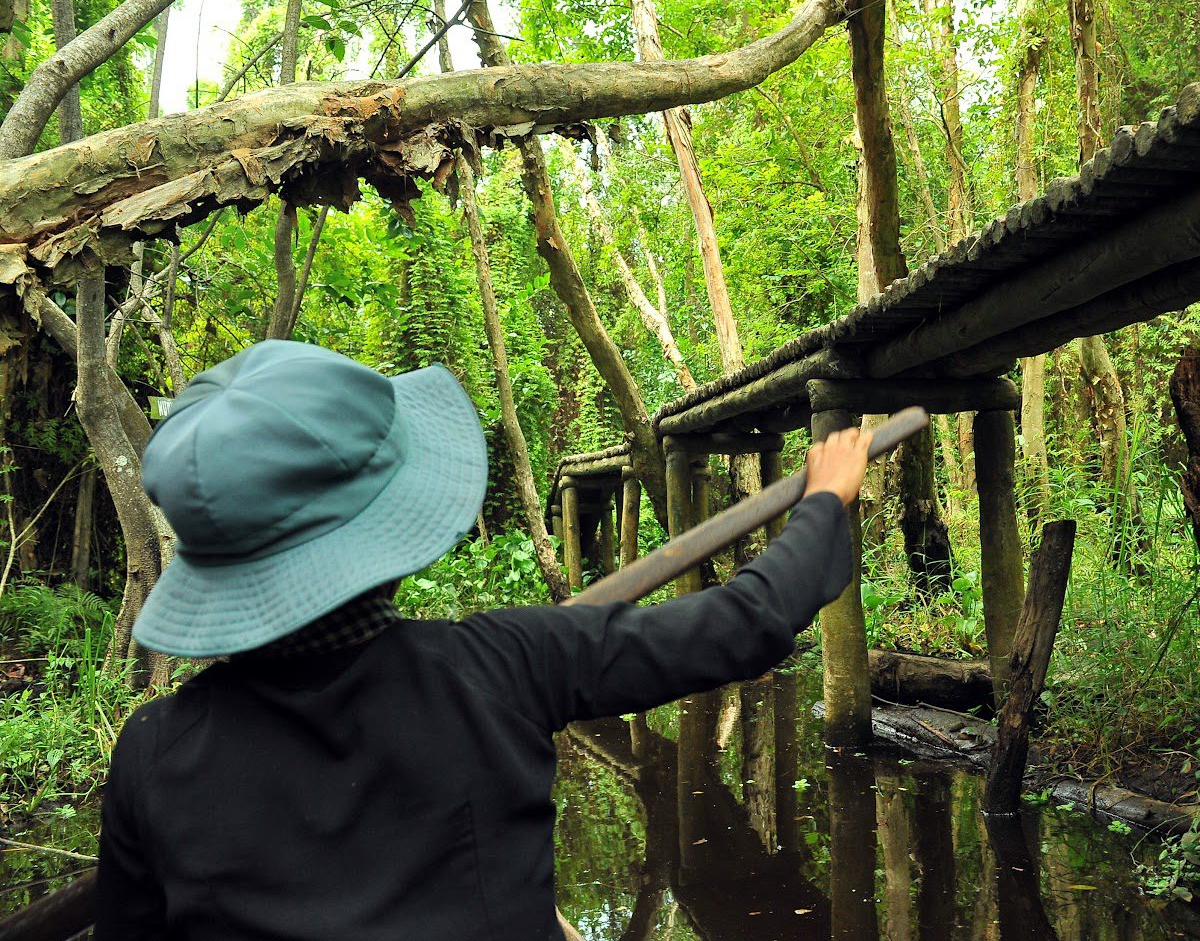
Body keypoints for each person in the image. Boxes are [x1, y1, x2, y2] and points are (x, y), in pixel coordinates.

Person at [95, 340, 870, 941]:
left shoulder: (151, 753)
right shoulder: (503, 664)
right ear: (387, 534)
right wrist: (825, 502)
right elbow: (744, 623)